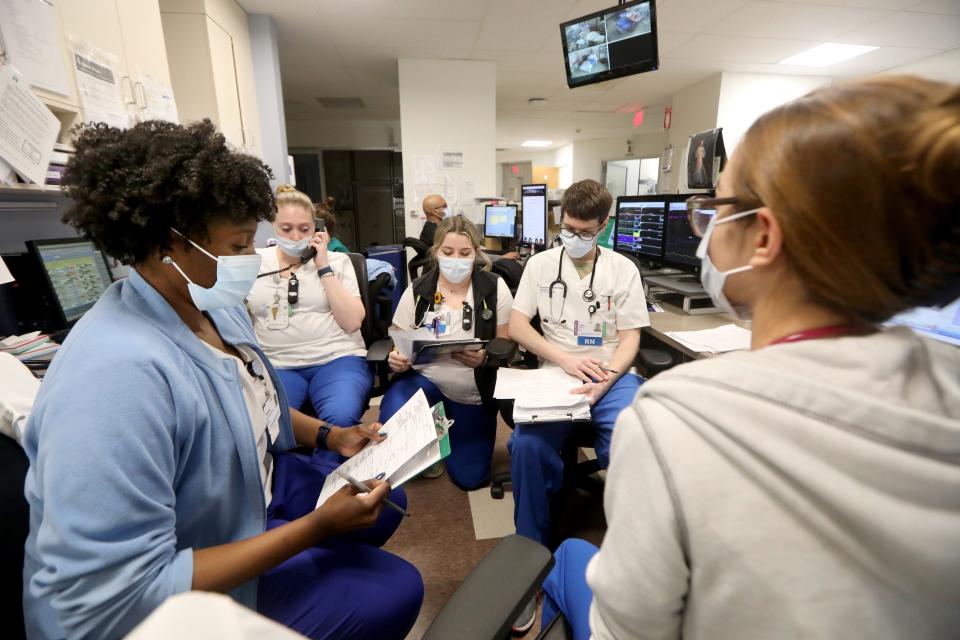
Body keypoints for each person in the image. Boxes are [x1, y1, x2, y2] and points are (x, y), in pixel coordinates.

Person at [540, 76, 960, 639]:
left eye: (716, 209)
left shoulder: (675, 418)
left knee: (568, 555)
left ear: (762, 235)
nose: (703, 229)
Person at [21, 120, 423, 640]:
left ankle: (313, 560)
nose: (250, 261)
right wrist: (314, 530)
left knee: (389, 502)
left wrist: (331, 435)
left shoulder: (212, 303)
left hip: (249, 495)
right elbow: (112, 597)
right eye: (236, 246)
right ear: (169, 245)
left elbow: (256, 401)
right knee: (396, 589)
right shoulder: (112, 378)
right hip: (142, 615)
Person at [508, 179, 649, 546]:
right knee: (526, 446)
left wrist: (607, 379)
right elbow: (518, 325)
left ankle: (632, 545)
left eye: (584, 232)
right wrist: (564, 360)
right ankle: (530, 548)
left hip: (612, 373)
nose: (573, 237)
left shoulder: (622, 269)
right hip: (557, 373)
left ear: (603, 226)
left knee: (629, 437)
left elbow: (631, 336)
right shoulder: (540, 265)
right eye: (568, 229)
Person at [380, 216, 514, 490]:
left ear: (477, 253)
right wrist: (396, 356)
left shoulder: (494, 287)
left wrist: (485, 358)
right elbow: (397, 335)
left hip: (472, 391)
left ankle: (447, 433)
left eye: (465, 253)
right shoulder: (419, 289)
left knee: (470, 478)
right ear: (436, 252)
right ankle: (429, 434)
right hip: (424, 381)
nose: (456, 259)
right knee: (392, 421)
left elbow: (507, 345)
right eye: (448, 252)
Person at [247, 185, 372, 433]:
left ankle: (329, 470)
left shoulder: (338, 261)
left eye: (304, 229)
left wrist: (323, 266)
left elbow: (352, 322)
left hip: (336, 358)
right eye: (286, 228)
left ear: (316, 228)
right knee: (269, 425)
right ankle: (300, 471)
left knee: (341, 418)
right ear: (273, 224)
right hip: (277, 364)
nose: (295, 237)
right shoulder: (255, 263)